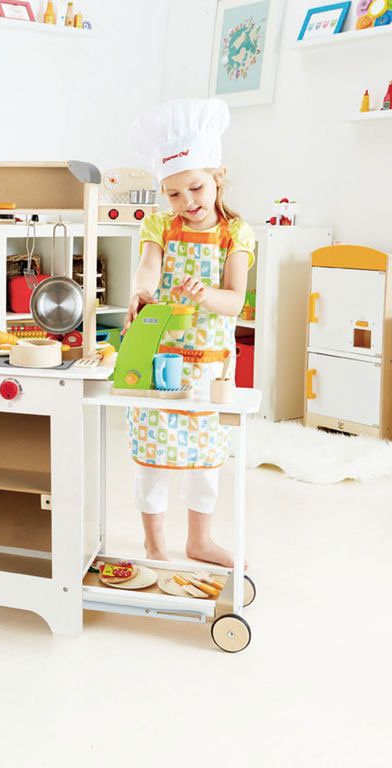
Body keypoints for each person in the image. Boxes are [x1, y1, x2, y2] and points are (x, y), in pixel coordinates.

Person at [123, 98, 255, 567]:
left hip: (210, 368)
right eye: (174, 193)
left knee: (205, 457)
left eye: (196, 187)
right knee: (153, 456)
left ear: (218, 175)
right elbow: (147, 269)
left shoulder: (235, 233)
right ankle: (154, 545)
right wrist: (140, 292)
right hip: (160, 360)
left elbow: (235, 301)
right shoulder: (161, 225)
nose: (188, 202)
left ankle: (200, 541)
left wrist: (204, 295)